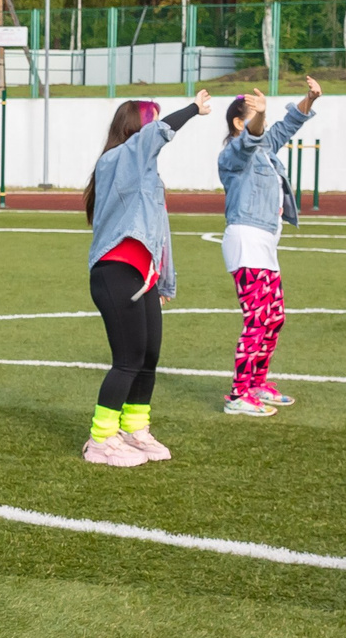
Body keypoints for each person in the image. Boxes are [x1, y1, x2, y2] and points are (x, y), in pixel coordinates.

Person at [82, 92, 213, 465]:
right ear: (134, 128)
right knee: (127, 358)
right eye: (149, 121)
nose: (156, 128)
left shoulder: (148, 172)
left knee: (149, 357)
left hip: (143, 277)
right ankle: (100, 439)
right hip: (115, 272)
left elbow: (160, 232)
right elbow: (154, 136)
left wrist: (164, 282)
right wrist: (192, 110)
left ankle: (135, 429)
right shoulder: (117, 160)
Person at [213, 78, 322, 417]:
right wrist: (258, 117)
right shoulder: (233, 154)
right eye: (253, 114)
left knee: (274, 319)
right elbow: (252, 138)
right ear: (237, 122)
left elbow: (288, 125)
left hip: (264, 245)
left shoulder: (264, 151)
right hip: (246, 242)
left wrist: (309, 98)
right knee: (257, 321)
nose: (261, 119)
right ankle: (238, 394)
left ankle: (257, 383)